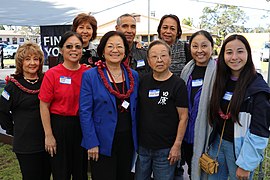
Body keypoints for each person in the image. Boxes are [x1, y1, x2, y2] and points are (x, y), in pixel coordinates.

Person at [208, 34, 270, 180]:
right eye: (229, 52)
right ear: (223, 55)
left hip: (241, 149)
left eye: (240, 51)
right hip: (218, 143)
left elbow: (260, 131)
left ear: (248, 53)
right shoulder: (220, 80)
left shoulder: (258, 88)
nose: (234, 57)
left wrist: (246, 164)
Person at [80, 30, 139, 180]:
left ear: (125, 50)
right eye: (110, 46)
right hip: (102, 141)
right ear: (102, 50)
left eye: (119, 46)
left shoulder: (134, 76)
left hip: (128, 141)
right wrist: (91, 142)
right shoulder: (90, 76)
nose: (115, 50)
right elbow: (85, 111)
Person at [135, 40, 188, 180]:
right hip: (143, 147)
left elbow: (183, 117)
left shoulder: (178, 84)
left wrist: (177, 145)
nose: (159, 60)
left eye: (163, 55)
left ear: (170, 58)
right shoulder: (143, 81)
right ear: (148, 60)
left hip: (166, 149)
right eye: (154, 56)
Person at [39, 31, 89, 180]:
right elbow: (44, 106)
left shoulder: (88, 73)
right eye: (69, 46)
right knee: (61, 172)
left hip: (82, 126)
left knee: (80, 172)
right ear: (61, 50)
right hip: (59, 127)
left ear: (82, 50)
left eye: (77, 46)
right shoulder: (52, 74)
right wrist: (49, 135)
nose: (74, 50)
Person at [0, 42, 51, 180]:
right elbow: (2, 111)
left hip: (48, 141)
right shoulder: (12, 86)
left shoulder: (46, 81)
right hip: (26, 144)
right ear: (20, 62)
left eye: (36, 59)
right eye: (27, 59)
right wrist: (13, 130)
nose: (32, 63)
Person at [180, 30, 216, 179]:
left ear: (212, 47)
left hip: (208, 136)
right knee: (191, 169)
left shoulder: (219, 71)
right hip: (188, 135)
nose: (199, 51)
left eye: (204, 46)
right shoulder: (187, 70)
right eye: (195, 46)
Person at [115, 13, 150, 77]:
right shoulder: (109, 54)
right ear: (117, 28)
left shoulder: (145, 55)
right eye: (125, 26)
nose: (129, 31)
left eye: (133, 27)